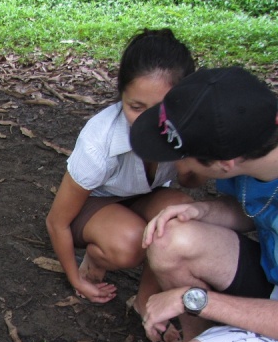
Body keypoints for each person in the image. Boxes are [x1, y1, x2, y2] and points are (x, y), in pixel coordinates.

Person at [114, 66, 278, 342]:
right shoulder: (254, 144)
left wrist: (195, 299)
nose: (176, 165)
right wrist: (200, 210)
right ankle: (201, 339)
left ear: (224, 164)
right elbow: (260, 211)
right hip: (271, 279)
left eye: (183, 157)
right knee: (172, 237)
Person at [46, 28, 198, 326]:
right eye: (135, 107)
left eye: (161, 110)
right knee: (131, 245)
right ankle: (98, 257)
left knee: (180, 215)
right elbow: (56, 220)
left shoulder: (188, 127)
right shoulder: (100, 138)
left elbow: (193, 182)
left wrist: (185, 155)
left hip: (141, 199)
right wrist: (74, 278)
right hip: (93, 207)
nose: (147, 122)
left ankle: (145, 302)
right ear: (121, 97)